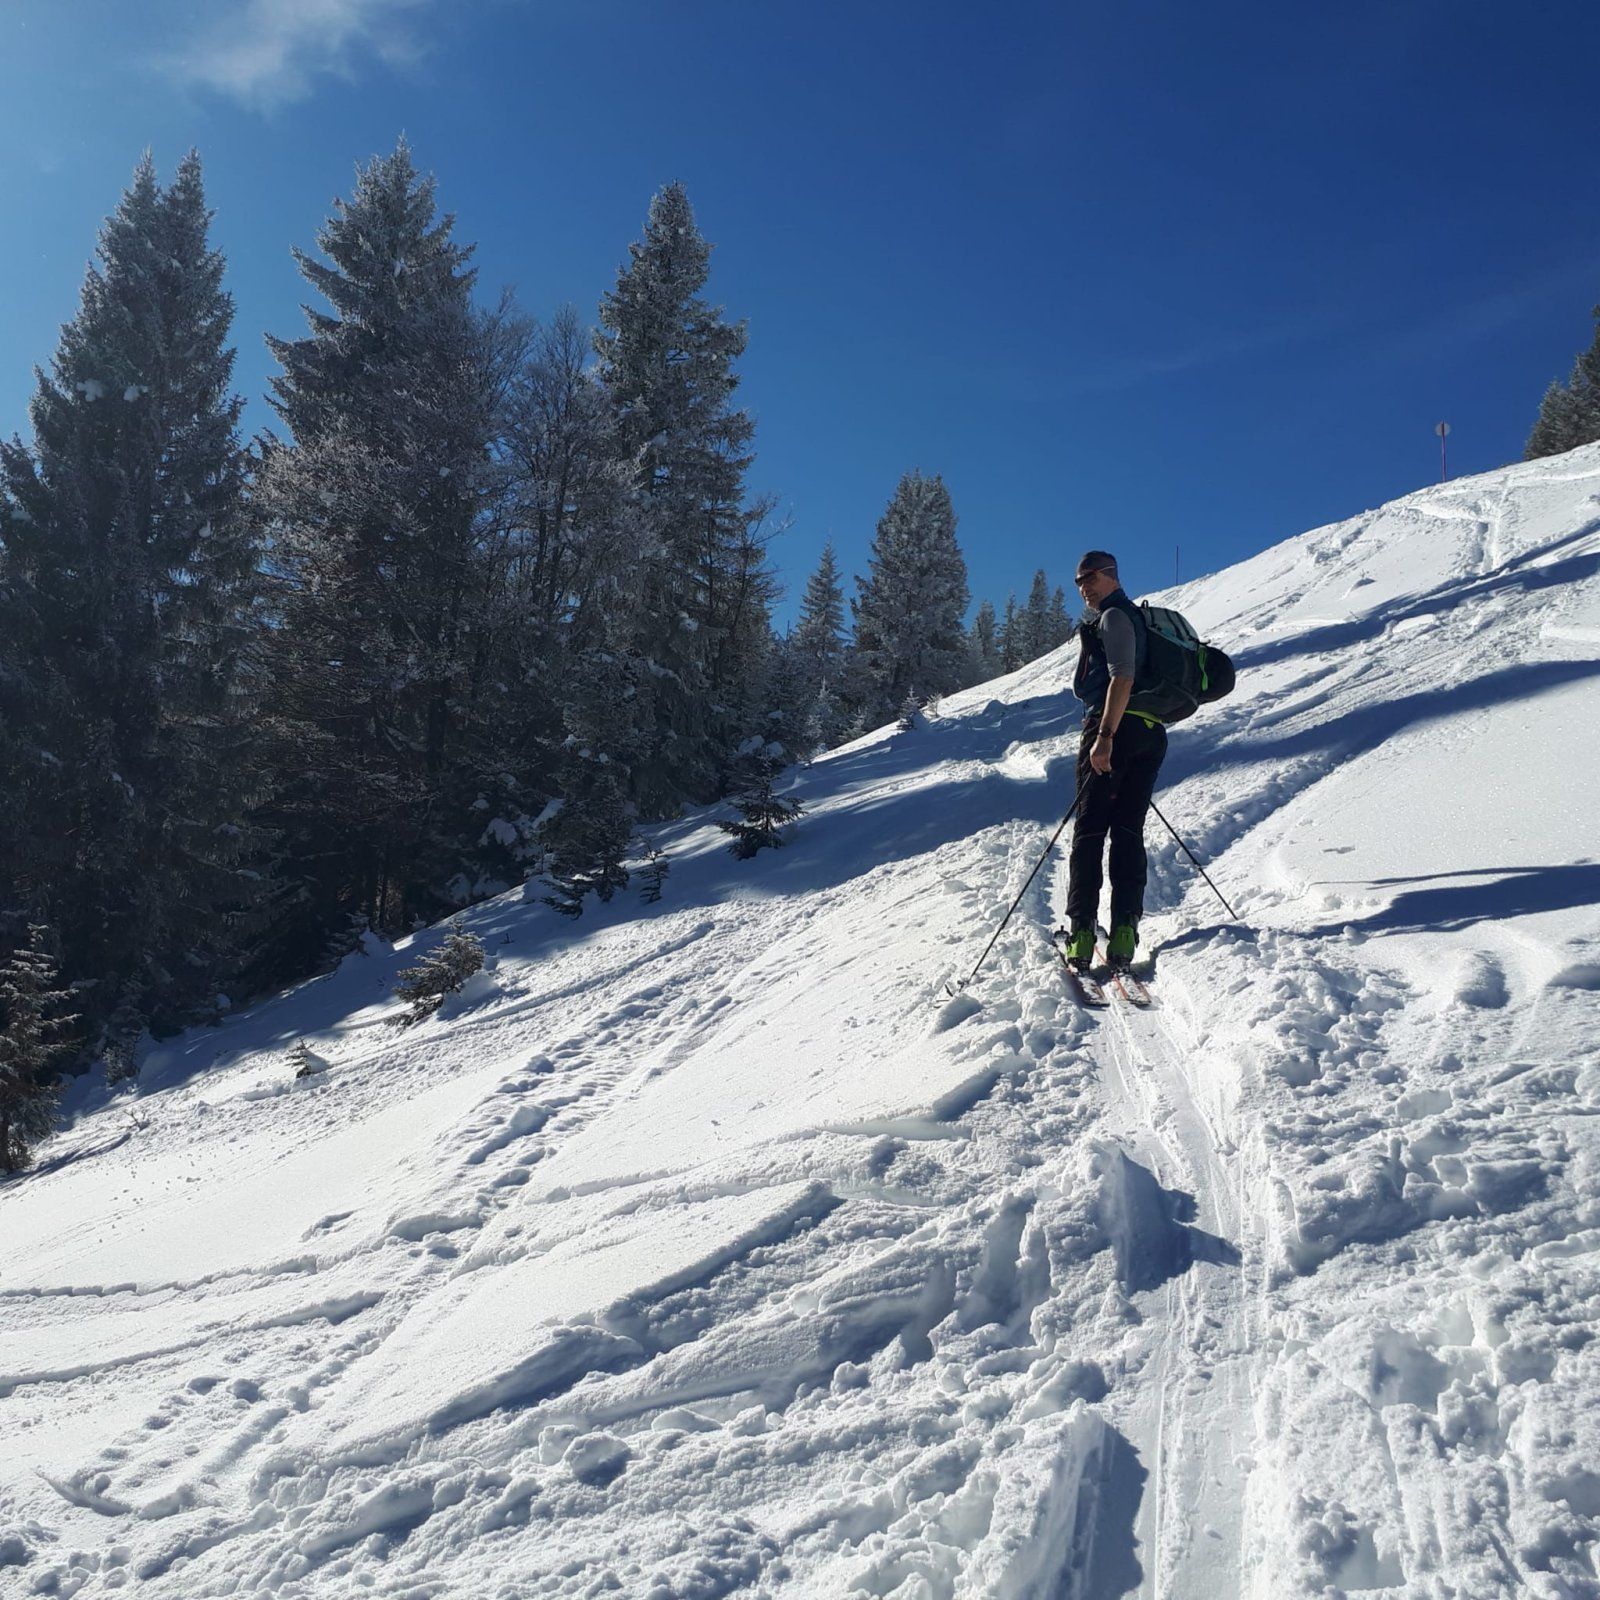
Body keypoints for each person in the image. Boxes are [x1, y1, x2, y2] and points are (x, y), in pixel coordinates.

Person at [1061, 550, 1167, 971]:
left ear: (1110, 576)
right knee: (1127, 831)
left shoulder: (1114, 616)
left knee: (1089, 831)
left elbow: (1122, 675)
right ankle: (1124, 931)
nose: (1083, 587)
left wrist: (1104, 737)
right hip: (1148, 733)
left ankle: (1082, 935)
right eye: (1078, 581)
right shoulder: (1136, 619)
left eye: (1089, 578)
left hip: (1112, 730)